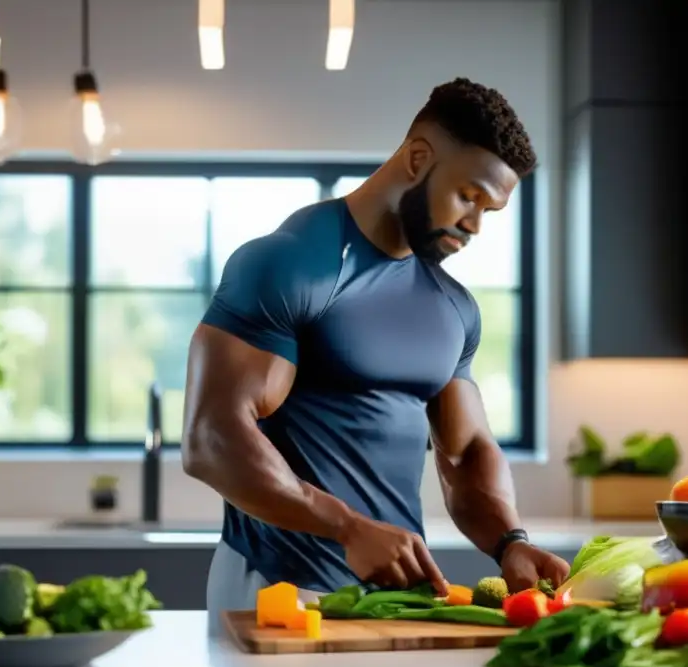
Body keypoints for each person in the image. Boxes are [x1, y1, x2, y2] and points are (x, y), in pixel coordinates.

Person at [182, 77, 570, 633]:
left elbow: (464, 456)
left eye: (491, 210)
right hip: (278, 587)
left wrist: (510, 542)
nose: (476, 225)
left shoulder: (453, 308)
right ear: (418, 158)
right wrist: (347, 528)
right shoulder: (293, 264)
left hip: (396, 601)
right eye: (468, 196)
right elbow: (211, 439)